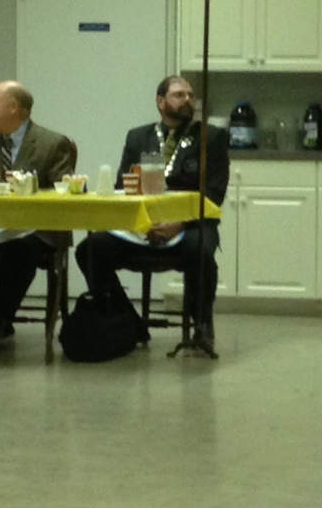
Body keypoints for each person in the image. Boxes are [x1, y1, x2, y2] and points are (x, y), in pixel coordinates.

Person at [76, 75, 231, 354]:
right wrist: (142, 222)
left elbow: (213, 193)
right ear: (160, 102)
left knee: (200, 250)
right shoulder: (138, 137)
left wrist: (178, 224)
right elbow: (124, 185)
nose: (188, 100)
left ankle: (201, 324)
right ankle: (129, 321)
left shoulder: (211, 137)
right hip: (142, 226)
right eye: (179, 95)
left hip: (190, 225)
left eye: (190, 95)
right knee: (90, 250)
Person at [0, 80, 74, 347]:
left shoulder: (51, 143)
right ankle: (1, 317)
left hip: (37, 229)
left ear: (13, 108)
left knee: (19, 251)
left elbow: (66, 188)